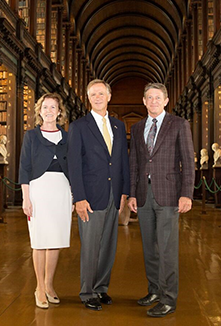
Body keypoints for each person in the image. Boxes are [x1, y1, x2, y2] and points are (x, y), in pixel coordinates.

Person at [128, 83, 195, 318]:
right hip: (144, 196)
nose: (153, 101)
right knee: (149, 248)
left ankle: (169, 299)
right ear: (144, 101)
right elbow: (134, 162)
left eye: (158, 97)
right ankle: (154, 290)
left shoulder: (179, 124)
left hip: (169, 195)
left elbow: (188, 161)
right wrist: (133, 193)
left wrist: (187, 193)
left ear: (166, 101)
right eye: (149, 98)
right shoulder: (136, 129)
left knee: (167, 249)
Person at [68, 79, 130, 311]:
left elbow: (122, 160)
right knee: (91, 245)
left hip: (114, 195)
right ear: (88, 97)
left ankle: (101, 288)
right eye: (93, 94)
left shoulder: (118, 126)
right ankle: (87, 292)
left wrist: (124, 191)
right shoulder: (79, 126)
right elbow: (74, 165)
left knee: (108, 246)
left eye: (101, 93)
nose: (97, 97)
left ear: (109, 96)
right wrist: (79, 198)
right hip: (90, 197)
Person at [19, 93, 71, 309]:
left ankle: (49, 285)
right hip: (38, 190)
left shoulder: (68, 137)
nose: (49, 111)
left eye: (53, 107)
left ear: (60, 112)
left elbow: (75, 167)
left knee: (55, 240)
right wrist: (26, 198)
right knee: (40, 241)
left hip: (62, 190)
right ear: (39, 111)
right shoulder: (31, 136)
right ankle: (39, 287)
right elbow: (24, 167)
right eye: (45, 107)